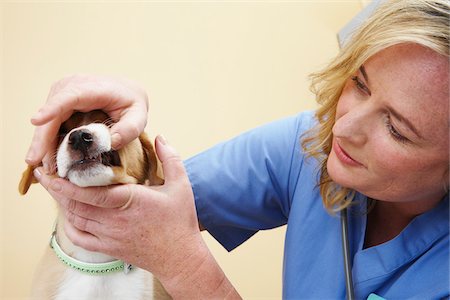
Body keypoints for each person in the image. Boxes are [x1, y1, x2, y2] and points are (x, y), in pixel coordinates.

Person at [26, 0, 449, 298]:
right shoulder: (309, 147)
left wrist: (189, 271)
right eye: (359, 83)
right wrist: (119, 106)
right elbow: (145, 209)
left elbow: (167, 244)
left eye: (396, 129)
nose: (344, 126)